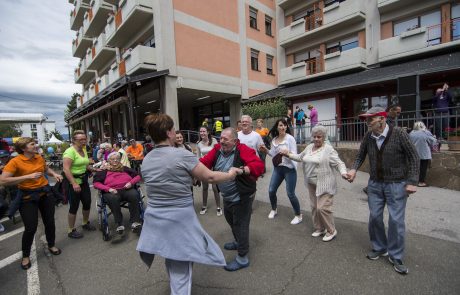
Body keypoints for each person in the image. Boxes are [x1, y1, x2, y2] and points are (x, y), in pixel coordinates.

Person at [136, 114, 239, 294]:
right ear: (169, 132)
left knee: (172, 255)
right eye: (173, 129)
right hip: (178, 218)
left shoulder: (147, 159)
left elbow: (162, 181)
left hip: (155, 217)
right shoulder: (182, 154)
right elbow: (210, 176)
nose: (175, 132)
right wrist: (231, 174)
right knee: (181, 269)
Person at [347, 106, 419, 275]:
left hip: (397, 184)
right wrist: (353, 169)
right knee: (375, 217)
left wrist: (413, 181)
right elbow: (360, 155)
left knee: (396, 221)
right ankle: (379, 247)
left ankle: (396, 255)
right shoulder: (368, 136)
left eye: (370, 118)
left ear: (382, 118)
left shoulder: (400, 134)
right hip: (375, 184)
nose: (367, 122)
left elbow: (414, 157)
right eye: (366, 119)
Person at [200, 128, 264, 271]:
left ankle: (242, 257)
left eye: (225, 139)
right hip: (227, 196)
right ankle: (238, 242)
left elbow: (259, 166)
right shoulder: (217, 149)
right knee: (230, 220)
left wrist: (240, 170)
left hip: (243, 196)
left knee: (241, 225)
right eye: (221, 138)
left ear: (235, 141)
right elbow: (204, 162)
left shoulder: (243, 150)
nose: (222, 141)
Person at [0, 137, 63, 270]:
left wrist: (54, 174)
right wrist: (26, 177)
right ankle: (26, 255)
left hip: (45, 194)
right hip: (27, 197)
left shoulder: (38, 157)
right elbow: (3, 180)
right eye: (32, 144)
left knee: (50, 222)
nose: (35, 145)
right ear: (23, 148)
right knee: (31, 227)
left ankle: (51, 245)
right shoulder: (15, 161)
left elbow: (45, 169)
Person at [281, 125, 348, 241]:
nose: (316, 139)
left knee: (322, 208)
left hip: (325, 183)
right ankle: (319, 228)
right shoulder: (309, 147)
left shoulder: (328, 150)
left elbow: (339, 163)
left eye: (319, 137)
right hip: (311, 183)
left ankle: (331, 230)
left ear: (324, 137)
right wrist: (288, 154)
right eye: (315, 136)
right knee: (314, 207)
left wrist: (343, 173)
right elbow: (300, 157)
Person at [259, 119, 302, 224]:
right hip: (278, 169)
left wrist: (288, 153)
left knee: (290, 193)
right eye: (281, 125)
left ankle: (298, 215)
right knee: (271, 190)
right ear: (277, 127)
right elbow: (273, 155)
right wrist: (266, 150)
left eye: (285, 125)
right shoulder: (274, 140)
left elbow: (296, 156)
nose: (283, 127)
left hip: (289, 169)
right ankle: (274, 209)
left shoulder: (290, 139)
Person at [93, 152, 142, 235]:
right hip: (112, 191)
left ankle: (135, 222)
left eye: (117, 159)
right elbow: (96, 183)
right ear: (108, 160)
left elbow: (137, 176)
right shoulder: (104, 170)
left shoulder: (124, 168)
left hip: (127, 189)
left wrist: (131, 183)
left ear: (120, 160)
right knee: (113, 199)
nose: (115, 160)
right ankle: (119, 223)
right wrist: (109, 189)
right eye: (112, 159)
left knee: (134, 195)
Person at [63, 130, 98, 239]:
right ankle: (71, 229)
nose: (83, 141)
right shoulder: (69, 152)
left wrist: (94, 169)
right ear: (74, 141)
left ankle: (85, 222)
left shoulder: (83, 149)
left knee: (87, 202)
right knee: (74, 206)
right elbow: (66, 169)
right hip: (73, 182)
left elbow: (85, 164)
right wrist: (73, 183)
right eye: (80, 140)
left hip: (84, 181)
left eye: (84, 139)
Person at [197, 126, 221, 216]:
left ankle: (218, 207)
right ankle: (204, 206)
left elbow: (218, 153)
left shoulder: (214, 141)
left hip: (213, 167)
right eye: (201, 131)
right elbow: (198, 157)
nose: (202, 133)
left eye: (204, 131)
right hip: (204, 167)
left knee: (215, 188)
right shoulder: (199, 144)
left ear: (208, 132)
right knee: (205, 187)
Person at [409, 122, 437, 187]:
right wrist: (434, 137)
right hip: (424, 154)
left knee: (415, 168)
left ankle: (413, 181)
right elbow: (433, 142)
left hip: (414, 154)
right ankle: (421, 182)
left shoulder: (411, 133)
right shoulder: (426, 133)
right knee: (423, 168)